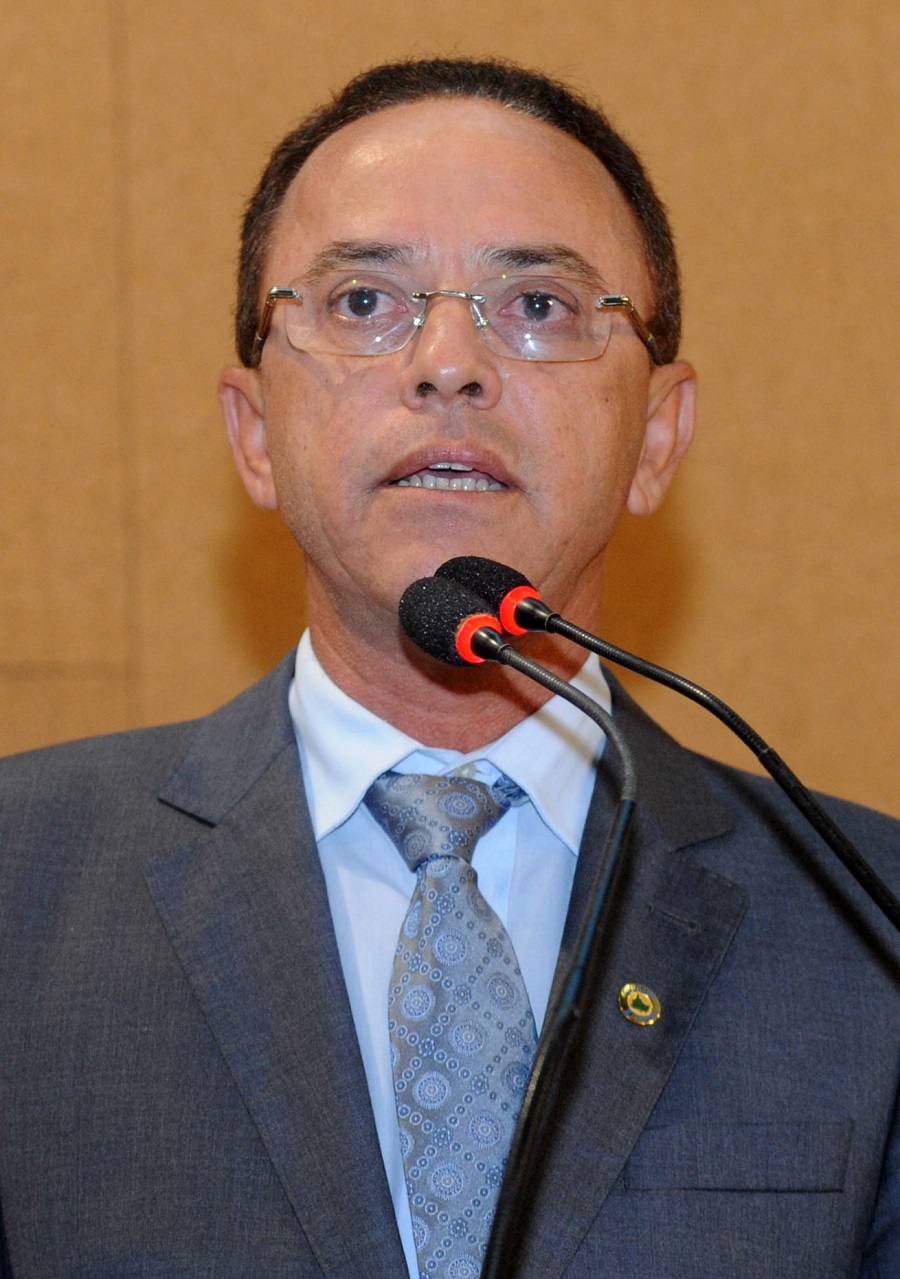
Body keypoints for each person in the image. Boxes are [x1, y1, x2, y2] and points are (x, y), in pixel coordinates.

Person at [0, 57, 897, 1279]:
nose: (447, 364)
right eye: (365, 300)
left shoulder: (866, 926)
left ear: (657, 437)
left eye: (539, 305)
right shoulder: (20, 887)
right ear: (253, 435)